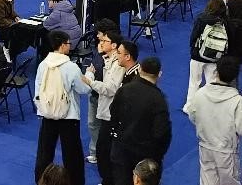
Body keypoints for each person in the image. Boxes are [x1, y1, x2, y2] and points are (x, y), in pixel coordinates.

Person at [33, 31, 93, 185]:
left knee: (44, 153)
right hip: (69, 117)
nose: (70, 46)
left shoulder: (42, 65)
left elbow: (38, 91)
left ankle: (41, 181)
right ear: (62, 45)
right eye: (68, 43)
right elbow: (83, 89)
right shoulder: (71, 67)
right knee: (73, 156)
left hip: (47, 114)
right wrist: (90, 75)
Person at [109, 57, 171, 185]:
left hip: (122, 151)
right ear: (159, 74)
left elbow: (113, 113)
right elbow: (162, 133)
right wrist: (157, 156)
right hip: (145, 158)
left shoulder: (124, 90)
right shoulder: (159, 100)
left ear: (140, 69)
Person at [187, 55, 242, 185]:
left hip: (205, 146)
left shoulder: (200, 93)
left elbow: (192, 115)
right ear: (234, 77)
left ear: (216, 71)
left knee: (207, 180)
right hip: (226, 151)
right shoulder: (237, 101)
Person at [81, 30, 125, 185]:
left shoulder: (117, 64)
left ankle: (109, 180)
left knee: (106, 150)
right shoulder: (105, 58)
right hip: (103, 106)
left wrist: (90, 81)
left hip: (110, 111)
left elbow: (110, 88)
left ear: (114, 45)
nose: (100, 42)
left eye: (104, 41)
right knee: (102, 146)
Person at [184, 0, 228, 113]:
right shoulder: (224, 21)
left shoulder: (201, 18)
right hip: (215, 57)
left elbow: (194, 36)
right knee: (211, 83)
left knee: (194, 82)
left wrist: (193, 48)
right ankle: (209, 109)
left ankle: (189, 107)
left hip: (197, 55)